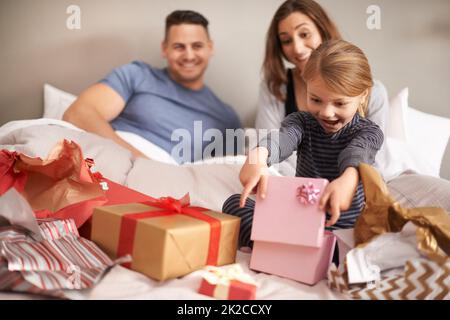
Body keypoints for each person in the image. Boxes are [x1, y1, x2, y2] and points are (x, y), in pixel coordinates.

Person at [223, 40, 384, 249]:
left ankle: (283, 246)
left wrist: (349, 178)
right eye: (316, 100)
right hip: (299, 221)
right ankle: (284, 245)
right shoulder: (301, 122)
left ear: (363, 95)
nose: (326, 112)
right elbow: (282, 139)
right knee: (234, 203)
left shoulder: (368, 132)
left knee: (370, 238)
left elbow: (357, 154)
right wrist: (258, 156)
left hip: (341, 230)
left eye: (340, 103)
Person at [63, 10, 241, 162]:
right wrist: (140, 161)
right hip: (109, 158)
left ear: (210, 48)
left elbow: (227, 172)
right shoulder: (137, 75)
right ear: (165, 49)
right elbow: (78, 114)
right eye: (179, 47)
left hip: (163, 182)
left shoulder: (226, 118)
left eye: (197, 46)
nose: (189, 55)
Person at [255, 0, 388, 176]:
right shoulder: (293, 112)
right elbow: (278, 140)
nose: (297, 48)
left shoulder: (372, 106)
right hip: (296, 184)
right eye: (286, 40)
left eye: (304, 34)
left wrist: (347, 179)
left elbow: (370, 158)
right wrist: (261, 154)